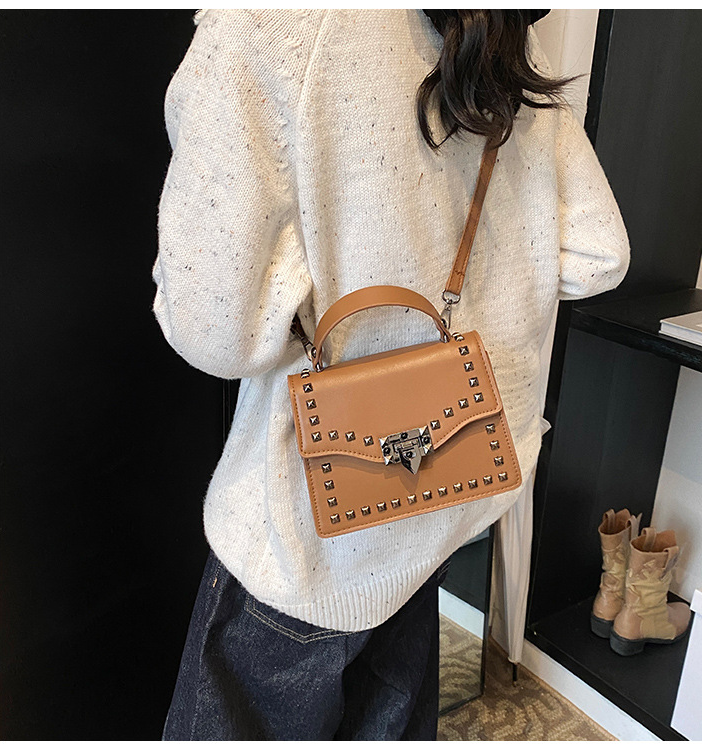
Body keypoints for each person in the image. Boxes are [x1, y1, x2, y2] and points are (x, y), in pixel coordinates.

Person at [151, 9, 629, 741]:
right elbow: (598, 252)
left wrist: (325, 287)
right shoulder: (497, 24)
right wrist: (481, 287)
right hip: (438, 504)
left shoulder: (270, 24)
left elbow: (217, 329)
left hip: (305, 537)